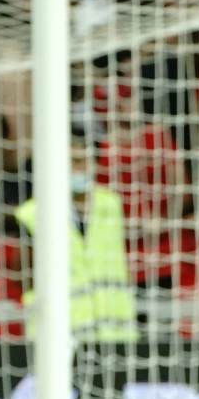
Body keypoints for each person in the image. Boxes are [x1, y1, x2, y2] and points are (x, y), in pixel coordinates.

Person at [13, 133, 140, 343]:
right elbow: (22, 276)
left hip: (115, 333)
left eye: (81, 161)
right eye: (70, 162)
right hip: (57, 336)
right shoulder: (33, 213)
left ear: (95, 164)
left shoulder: (112, 205)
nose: (76, 169)